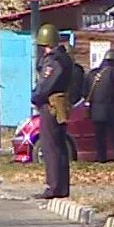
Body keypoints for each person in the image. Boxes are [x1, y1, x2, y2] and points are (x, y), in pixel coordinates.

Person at [31, 23, 73, 199]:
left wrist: (35, 97)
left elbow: (45, 85)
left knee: (50, 147)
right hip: (60, 104)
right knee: (60, 146)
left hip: (51, 105)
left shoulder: (53, 61)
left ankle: (53, 186)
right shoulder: (65, 58)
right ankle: (62, 187)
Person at [85, 48, 114, 163]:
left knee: (99, 137)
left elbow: (85, 92)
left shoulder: (93, 73)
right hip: (110, 109)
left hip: (95, 111)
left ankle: (101, 158)